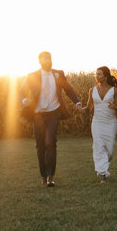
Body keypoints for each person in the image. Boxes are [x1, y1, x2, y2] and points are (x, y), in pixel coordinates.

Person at [19, 51, 83, 187]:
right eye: (45, 59)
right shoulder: (32, 76)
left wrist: (77, 102)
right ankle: (43, 175)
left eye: (50, 58)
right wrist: (24, 99)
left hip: (54, 113)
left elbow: (68, 89)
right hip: (38, 115)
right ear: (40, 61)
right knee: (40, 146)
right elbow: (21, 91)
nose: (48, 61)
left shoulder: (58, 73)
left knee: (50, 142)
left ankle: (50, 177)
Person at [88, 66, 117, 183]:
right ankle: (102, 174)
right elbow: (88, 108)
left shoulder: (114, 90)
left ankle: (104, 167)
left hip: (110, 122)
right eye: (96, 74)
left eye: (100, 74)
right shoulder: (92, 90)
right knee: (99, 145)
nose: (97, 76)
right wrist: (79, 109)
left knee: (110, 148)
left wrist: (115, 107)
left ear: (106, 76)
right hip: (97, 122)